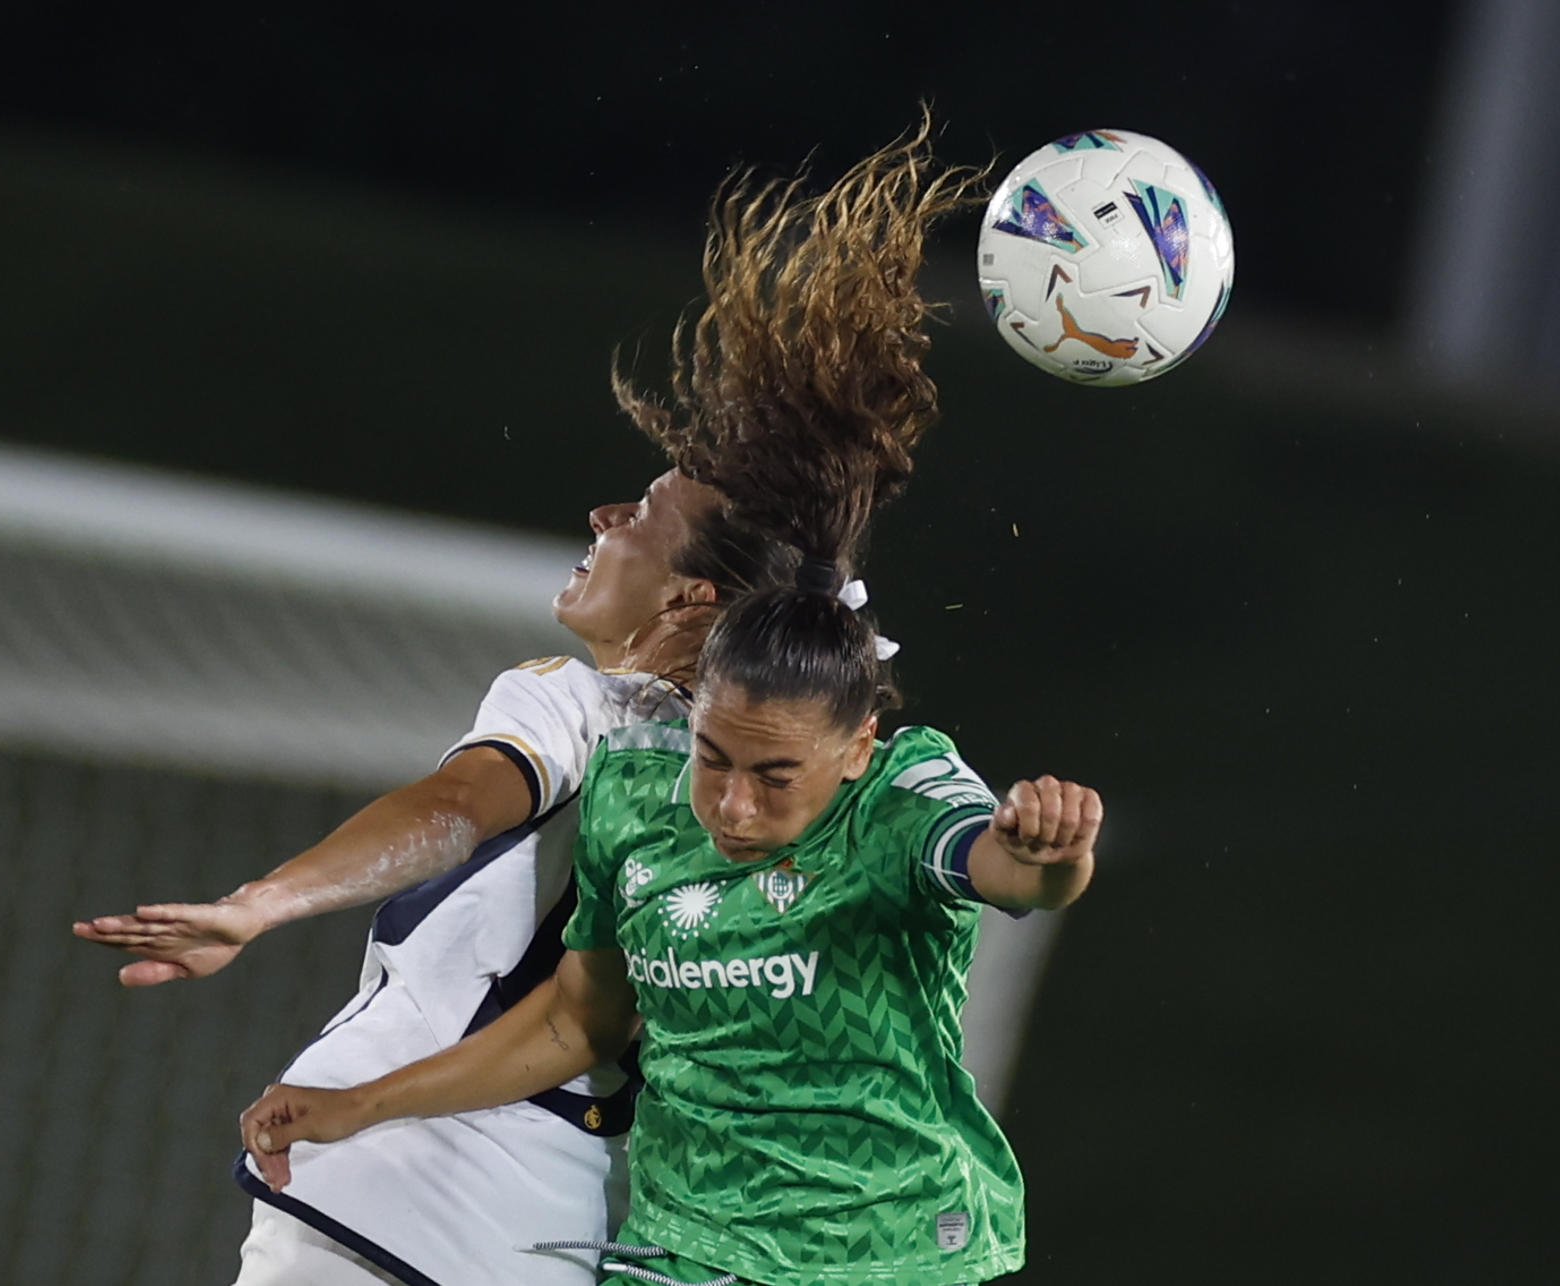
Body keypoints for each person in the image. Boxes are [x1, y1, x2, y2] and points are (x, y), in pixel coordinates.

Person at [77, 117, 990, 1286]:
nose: (608, 516)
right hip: (565, 1227)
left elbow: (460, 806)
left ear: (690, 599)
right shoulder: (810, 778)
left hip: (394, 1187)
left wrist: (258, 904)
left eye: (641, 516)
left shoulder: (587, 708)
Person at [239, 530, 1101, 1286]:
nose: (732, 805)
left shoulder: (900, 797)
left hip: (880, 1245)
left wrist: (1046, 856)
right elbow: (579, 1025)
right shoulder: (636, 794)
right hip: (684, 1246)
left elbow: (1002, 872)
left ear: (856, 749)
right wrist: (358, 1105)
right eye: (713, 759)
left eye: (775, 778)